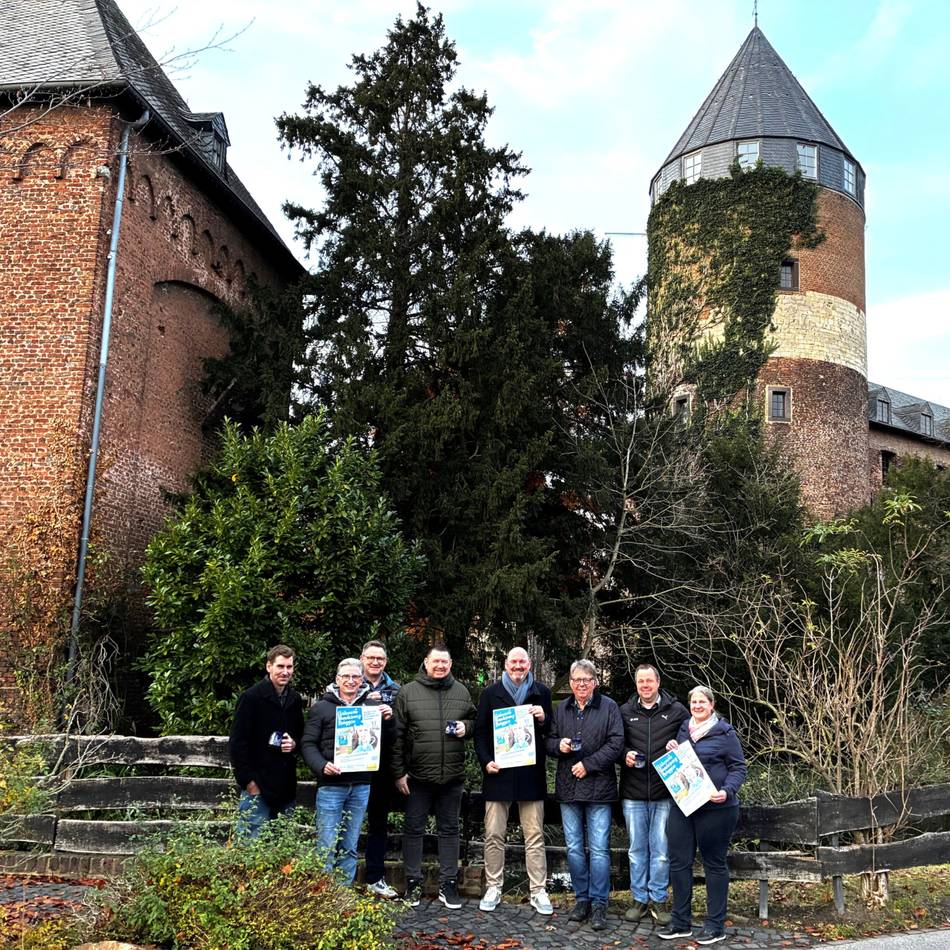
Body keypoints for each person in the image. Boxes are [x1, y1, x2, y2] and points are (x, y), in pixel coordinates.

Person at [657, 686, 747, 946]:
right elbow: (682, 763)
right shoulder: (685, 728)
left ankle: (715, 925)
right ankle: (681, 922)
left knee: (714, 864)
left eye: (701, 702)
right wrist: (673, 748)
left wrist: (726, 791)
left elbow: (738, 767)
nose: (697, 706)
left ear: (711, 705)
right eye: (693, 702)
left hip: (716, 809)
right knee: (679, 862)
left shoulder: (725, 733)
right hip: (684, 805)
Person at [392, 644, 476, 909]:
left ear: (451, 664)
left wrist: (467, 727)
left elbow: (476, 722)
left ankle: (449, 884)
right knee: (413, 830)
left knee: (450, 830)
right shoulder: (407, 692)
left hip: (451, 776)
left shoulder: (461, 691)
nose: (440, 666)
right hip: (417, 777)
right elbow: (397, 737)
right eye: (436, 661)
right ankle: (413, 883)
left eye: (445, 662)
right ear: (426, 662)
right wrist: (399, 773)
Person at [474, 647, 554, 916]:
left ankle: (538, 890)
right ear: (505, 665)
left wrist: (543, 719)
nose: (518, 666)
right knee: (494, 835)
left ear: (529, 664)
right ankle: (494, 886)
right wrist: (486, 762)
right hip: (499, 775)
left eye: (522, 662)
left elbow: (551, 730)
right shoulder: (490, 693)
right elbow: (480, 734)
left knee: (534, 836)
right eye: (513, 662)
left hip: (531, 775)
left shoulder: (542, 692)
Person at [546, 659, 623, 932]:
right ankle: (582, 900)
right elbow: (548, 742)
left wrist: (589, 765)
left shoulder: (609, 707)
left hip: (599, 788)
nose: (581, 684)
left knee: (600, 850)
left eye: (586, 680)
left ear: (595, 683)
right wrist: (560, 746)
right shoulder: (561, 709)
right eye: (576, 680)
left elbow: (616, 743)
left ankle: (600, 903)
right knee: (575, 849)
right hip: (568, 788)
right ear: (570, 683)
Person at [301, 657, 394, 884]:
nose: (351, 681)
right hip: (332, 785)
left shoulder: (371, 708)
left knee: (350, 845)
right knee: (326, 844)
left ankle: (343, 896)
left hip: (361, 784)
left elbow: (386, 744)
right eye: (346, 677)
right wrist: (322, 766)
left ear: (362, 680)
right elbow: (307, 744)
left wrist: (389, 721)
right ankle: (323, 898)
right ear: (337, 679)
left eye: (355, 677)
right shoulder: (321, 707)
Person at [619, 664, 689, 925]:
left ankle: (659, 899)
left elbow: (691, 741)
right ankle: (638, 899)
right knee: (637, 850)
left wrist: (679, 747)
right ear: (636, 684)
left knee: (660, 850)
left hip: (665, 792)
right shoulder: (625, 711)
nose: (645, 686)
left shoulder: (676, 710)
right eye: (641, 682)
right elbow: (615, 742)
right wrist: (622, 754)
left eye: (649, 681)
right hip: (633, 792)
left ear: (658, 682)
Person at [228, 644, 305, 838]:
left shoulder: (294, 699)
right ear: (269, 666)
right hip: (258, 784)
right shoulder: (251, 698)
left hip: (285, 785)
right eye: (280, 666)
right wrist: (248, 781)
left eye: (289, 667)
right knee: (250, 845)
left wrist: (294, 743)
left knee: (282, 845)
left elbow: (300, 734)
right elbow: (238, 743)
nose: (285, 672)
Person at [360, 639, 402, 898]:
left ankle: (375, 878)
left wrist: (391, 717)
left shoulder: (396, 690)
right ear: (362, 658)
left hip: (382, 767)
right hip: (352, 766)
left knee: (378, 824)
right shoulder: (350, 683)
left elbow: (402, 730)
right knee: (348, 824)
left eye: (380, 659)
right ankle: (337, 880)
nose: (375, 662)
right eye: (371, 658)